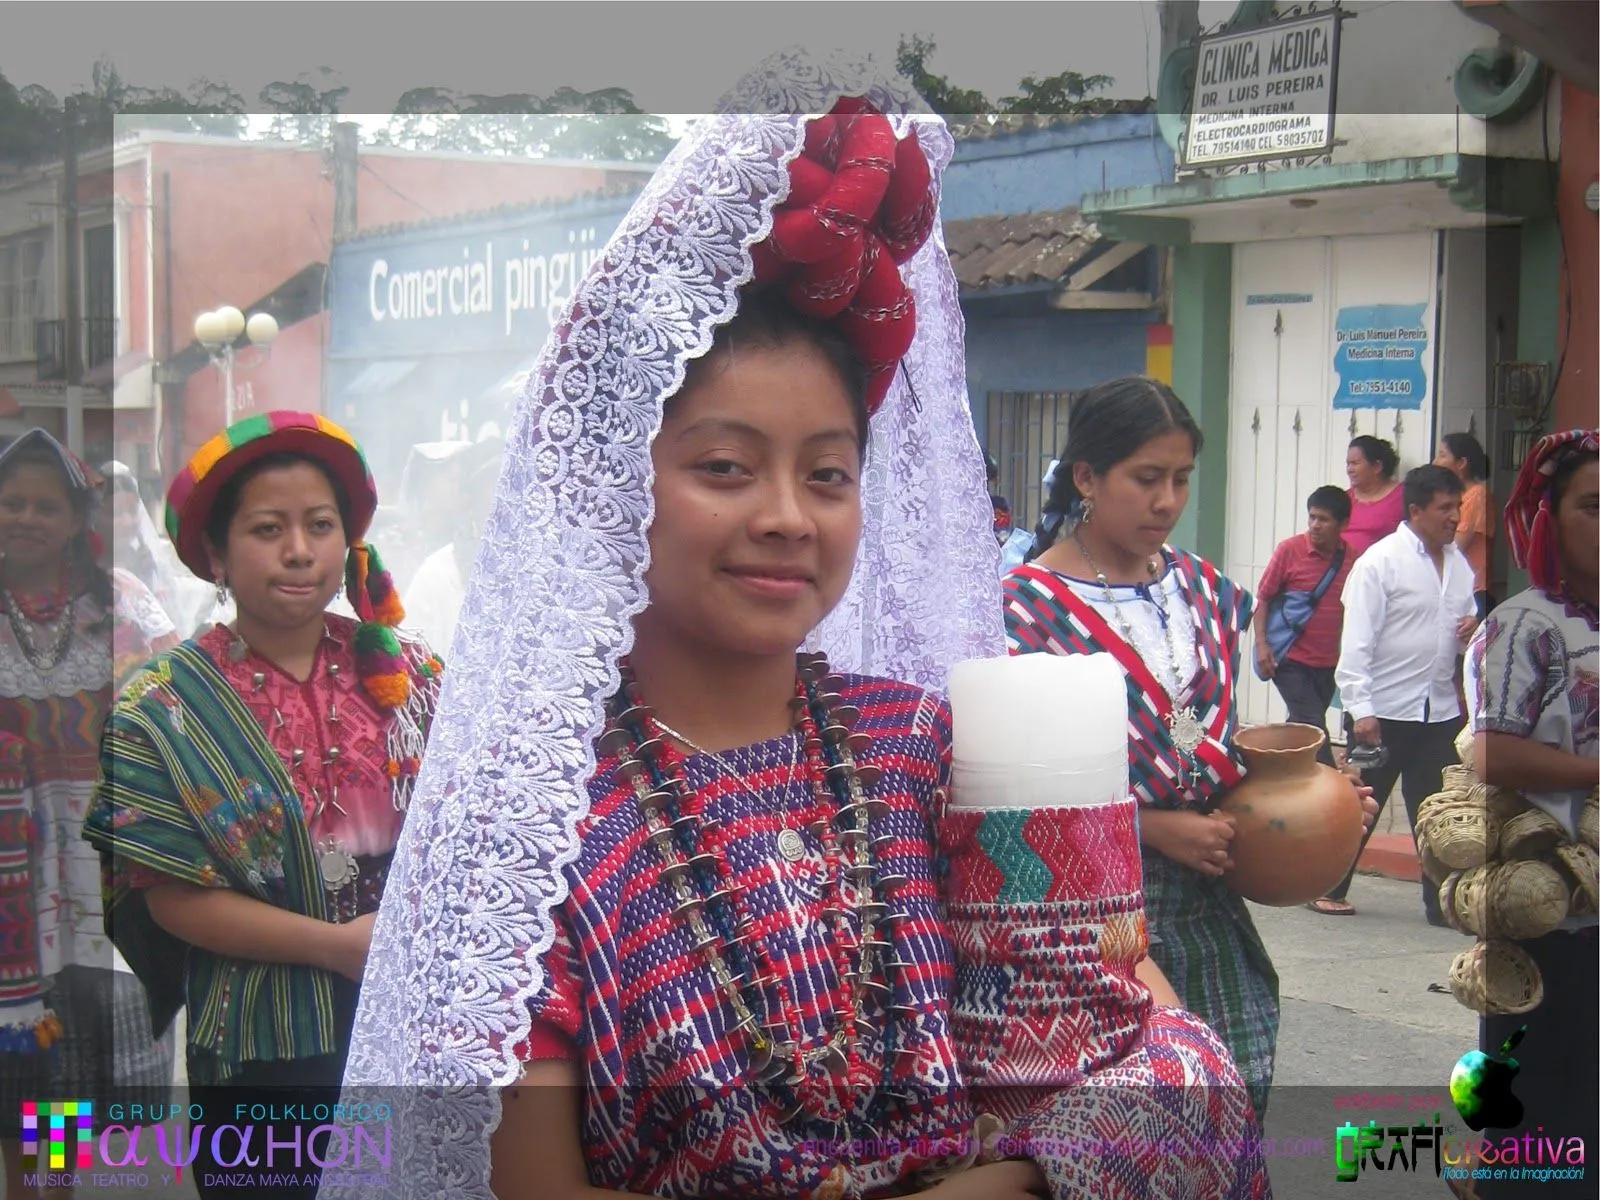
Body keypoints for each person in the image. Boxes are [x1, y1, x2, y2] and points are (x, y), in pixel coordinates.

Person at [334, 54, 1270, 1200]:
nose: (785, 517)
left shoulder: (931, 751)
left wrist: (1020, 1178)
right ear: (610, 484)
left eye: (827, 473)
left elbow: (1157, 1051)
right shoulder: (527, 826)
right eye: (726, 467)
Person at [84, 412, 444, 1200]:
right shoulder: (162, 707)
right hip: (264, 1036)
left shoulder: (414, 674)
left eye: (320, 525)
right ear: (216, 553)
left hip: (416, 1024)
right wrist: (336, 946)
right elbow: (171, 896)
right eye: (267, 528)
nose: (299, 550)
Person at [1005, 377, 1371, 1120]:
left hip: (1204, 904)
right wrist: (1147, 825)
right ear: (1087, 477)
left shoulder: (1202, 587)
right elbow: (1010, 787)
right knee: (1132, 1107)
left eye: (1180, 479)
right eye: (1146, 479)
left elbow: (1196, 732)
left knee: (1231, 1081)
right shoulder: (1024, 606)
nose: (1167, 500)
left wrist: (1308, 803)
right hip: (1092, 902)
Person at [0, 431, 177, 1200]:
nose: (26, 517)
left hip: (94, 886)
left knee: (60, 1078)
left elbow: (175, 723)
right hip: (11, 893)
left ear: (77, 518)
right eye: (12, 502)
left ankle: (52, 1191)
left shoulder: (124, 609)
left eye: (46, 505)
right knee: (20, 1085)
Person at [1462, 429, 1597, 1200]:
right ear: (1549, 517)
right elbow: (1492, 753)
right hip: (1552, 907)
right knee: (1548, 1112)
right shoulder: (1525, 624)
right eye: (1594, 506)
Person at [1321, 465, 1478, 922]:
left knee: (1436, 809)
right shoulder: (1381, 561)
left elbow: (1464, 633)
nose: (1453, 518)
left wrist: (1472, 631)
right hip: (1383, 710)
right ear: (1416, 510)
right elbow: (1357, 641)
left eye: (1458, 507)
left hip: (1439, 710)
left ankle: (1440, 902)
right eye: (1445, 508)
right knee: (1362, 803)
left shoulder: (1461, 565)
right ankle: (1329, 885)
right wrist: (1361, 707)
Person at [1253, 485, 1354, 767]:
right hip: (1289, 660)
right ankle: (1334, 792)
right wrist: (1262, 645)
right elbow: (1262, 599)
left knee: (1301, 729)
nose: (1315, 525)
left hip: (1328, 663)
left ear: (1343, 524)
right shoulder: (1289, 550)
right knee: (1313, 727)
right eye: (1311, 517)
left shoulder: (1353, 559)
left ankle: (1283, 777)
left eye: (1323, 519)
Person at [401, 437, 503, 653]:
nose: (504, 500)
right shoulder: (438, 572)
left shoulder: (541, 570)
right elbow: (409, 658)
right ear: (470, 501)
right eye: (493, 488)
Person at [1435, 432, 1495, 618]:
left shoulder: (1476, 495)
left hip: (1473, 589)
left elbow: (1455, 546)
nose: (1435, 461)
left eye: (1442, 455)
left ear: (1461, 463)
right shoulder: (1455, 495)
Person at [1344, 434, 1405, 559]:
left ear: (1377, 466)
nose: (1349, 469)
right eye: (1348, 464)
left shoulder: (1403, 495)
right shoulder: (1343, 498)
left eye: (1355, 463)